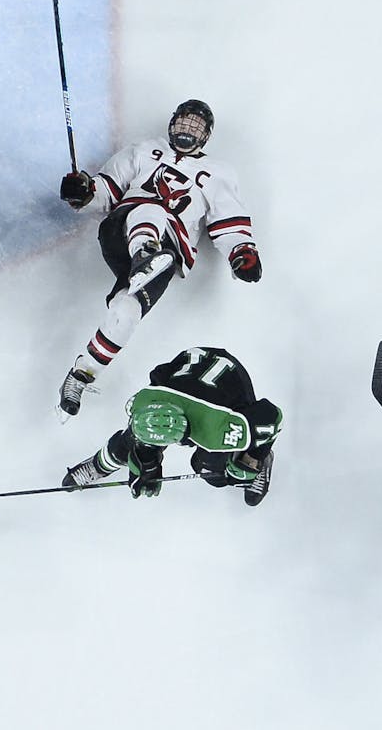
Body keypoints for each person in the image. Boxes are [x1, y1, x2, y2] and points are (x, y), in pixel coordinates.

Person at [54, 100, 261, 418]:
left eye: (196, 126)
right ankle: (145, 254)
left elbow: (228, 222)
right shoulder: (144, 150)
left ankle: (80, 375)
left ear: (206, 136)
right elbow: (106, 190)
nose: (187, 130)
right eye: (183, 122)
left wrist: (242, 253)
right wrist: (83, 191)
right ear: (172, 123)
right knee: (152, 211)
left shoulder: (218, 174)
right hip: (121, 230)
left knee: (126, 311)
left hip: (169, 254)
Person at [62, 346, 282, 507]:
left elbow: (273, 417)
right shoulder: (143, 402)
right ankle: (98, 465)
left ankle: (263, 462)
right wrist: (143, 459)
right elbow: (138, 437)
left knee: (210, 471)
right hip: (187, 372)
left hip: (228, 388)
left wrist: (252, 458)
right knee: (129, 442)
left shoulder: (218, 431)